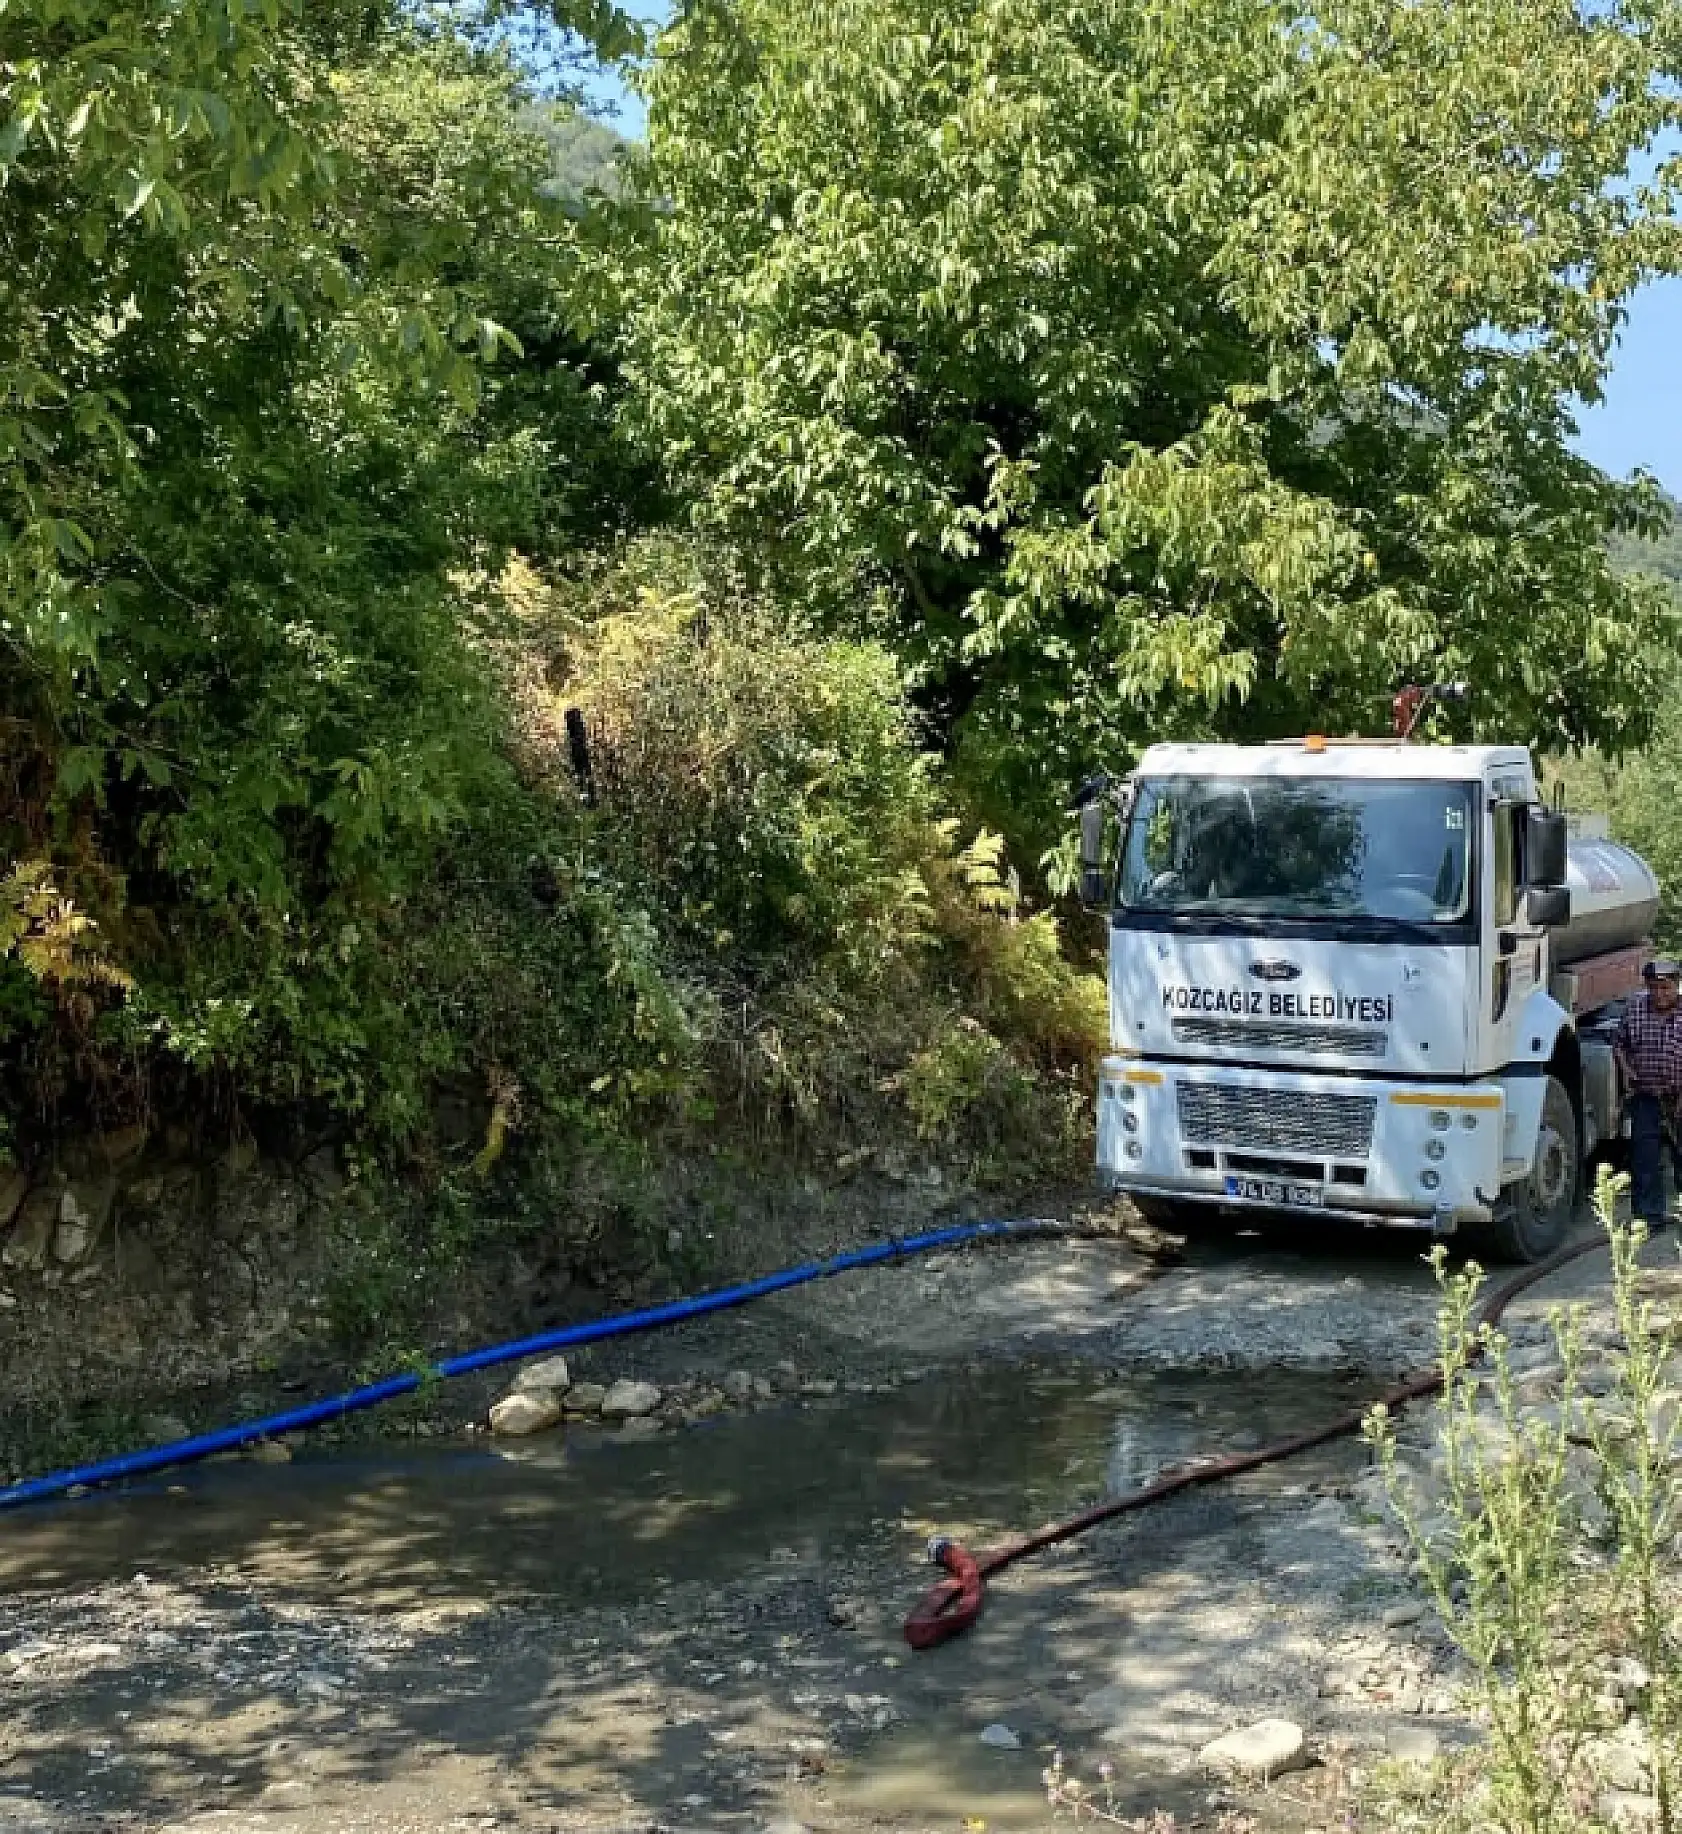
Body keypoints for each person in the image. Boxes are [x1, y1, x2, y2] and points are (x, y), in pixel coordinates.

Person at [1614, 958, 1682, 1226]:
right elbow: (1620, 1043)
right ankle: (1648, 1218)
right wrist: (1626, 1068)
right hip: (1645, 1095)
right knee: (1645, 1159)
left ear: (1676, 985)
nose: (1659, 994)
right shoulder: (1635, 1009)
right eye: (1653, 988)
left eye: (1665, 988)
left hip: (1678, 1094)